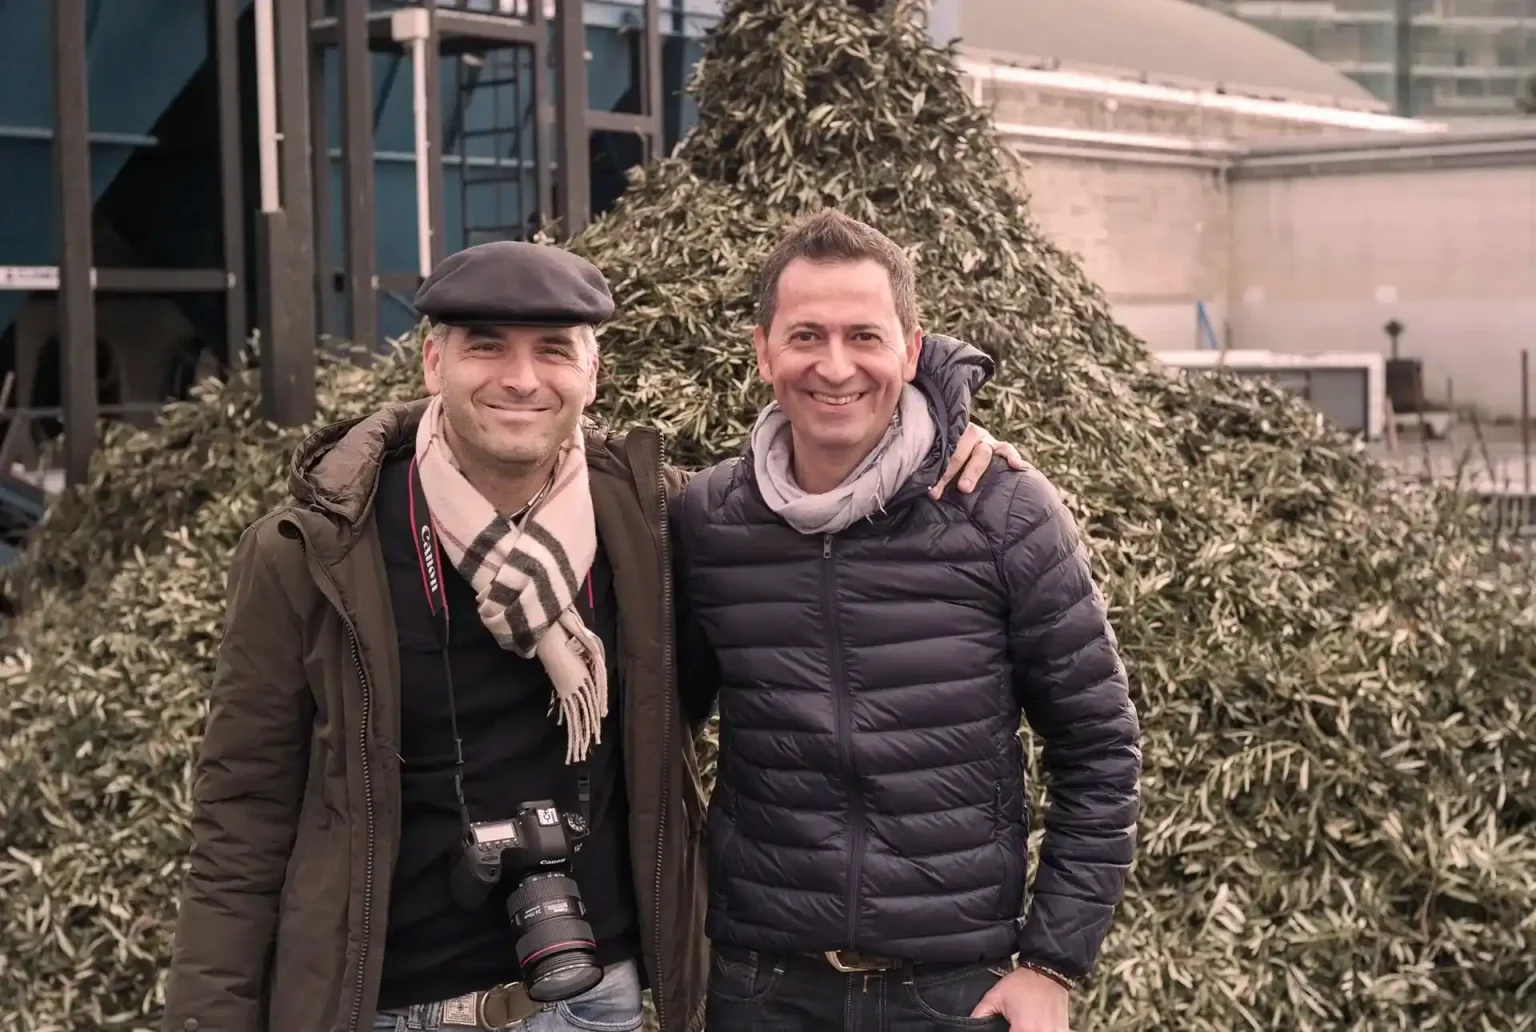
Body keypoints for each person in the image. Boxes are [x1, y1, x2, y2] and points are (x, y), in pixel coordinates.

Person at [160, 239, 1022, 1032]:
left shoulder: (659, 526)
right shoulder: (314, 553)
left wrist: (934, 421)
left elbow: (822, 493)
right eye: (486, 345)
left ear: (593, 371)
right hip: (388, 1005)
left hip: (594, 1000)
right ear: (433, 362)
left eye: (553, 350)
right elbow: (242, 813)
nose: (521, 379)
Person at [674, 210, 1143, 1032]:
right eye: (805, 336)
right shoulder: (709, 520)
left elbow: (1098, 749)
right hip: (762, 986)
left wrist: (1052, 965)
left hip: (952, 991)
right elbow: (656, 720)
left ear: (911, 350)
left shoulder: (1000, 512)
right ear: (762, 351)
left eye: (864, 335)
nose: (834, 366)